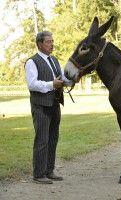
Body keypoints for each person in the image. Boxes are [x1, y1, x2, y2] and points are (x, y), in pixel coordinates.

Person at [25, 31, 73, 184]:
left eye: (53, 41)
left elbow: (61, 78)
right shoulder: (32, 62)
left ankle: (49, 171)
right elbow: (32, 84)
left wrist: (71, 80)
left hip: (54, 104)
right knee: (42, 140)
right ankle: (38, 175)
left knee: (53, 138)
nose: (52, 44)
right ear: (39, 44)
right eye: (48, 42)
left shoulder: (54, 60)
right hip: (40, 106)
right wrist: (51, 84)